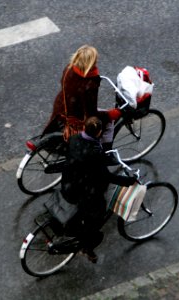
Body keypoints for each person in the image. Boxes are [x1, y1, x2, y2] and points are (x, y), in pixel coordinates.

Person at [61, 116, 136, 263]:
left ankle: (77, 229)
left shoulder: (75, 139)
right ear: (99, 132)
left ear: (84, 128)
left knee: (84, 211)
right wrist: (128, 181)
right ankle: (88, 246)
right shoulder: (94, 153)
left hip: (69, 184)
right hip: (83, 192)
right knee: (97, 215)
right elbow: (106, 176)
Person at [42, 45, 120, 151]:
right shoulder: (89, 84)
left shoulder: (69, 68)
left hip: (62, 107)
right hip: (77, 116)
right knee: (109, 123)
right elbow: (91, 114)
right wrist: (110, 114)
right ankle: (105, 152)